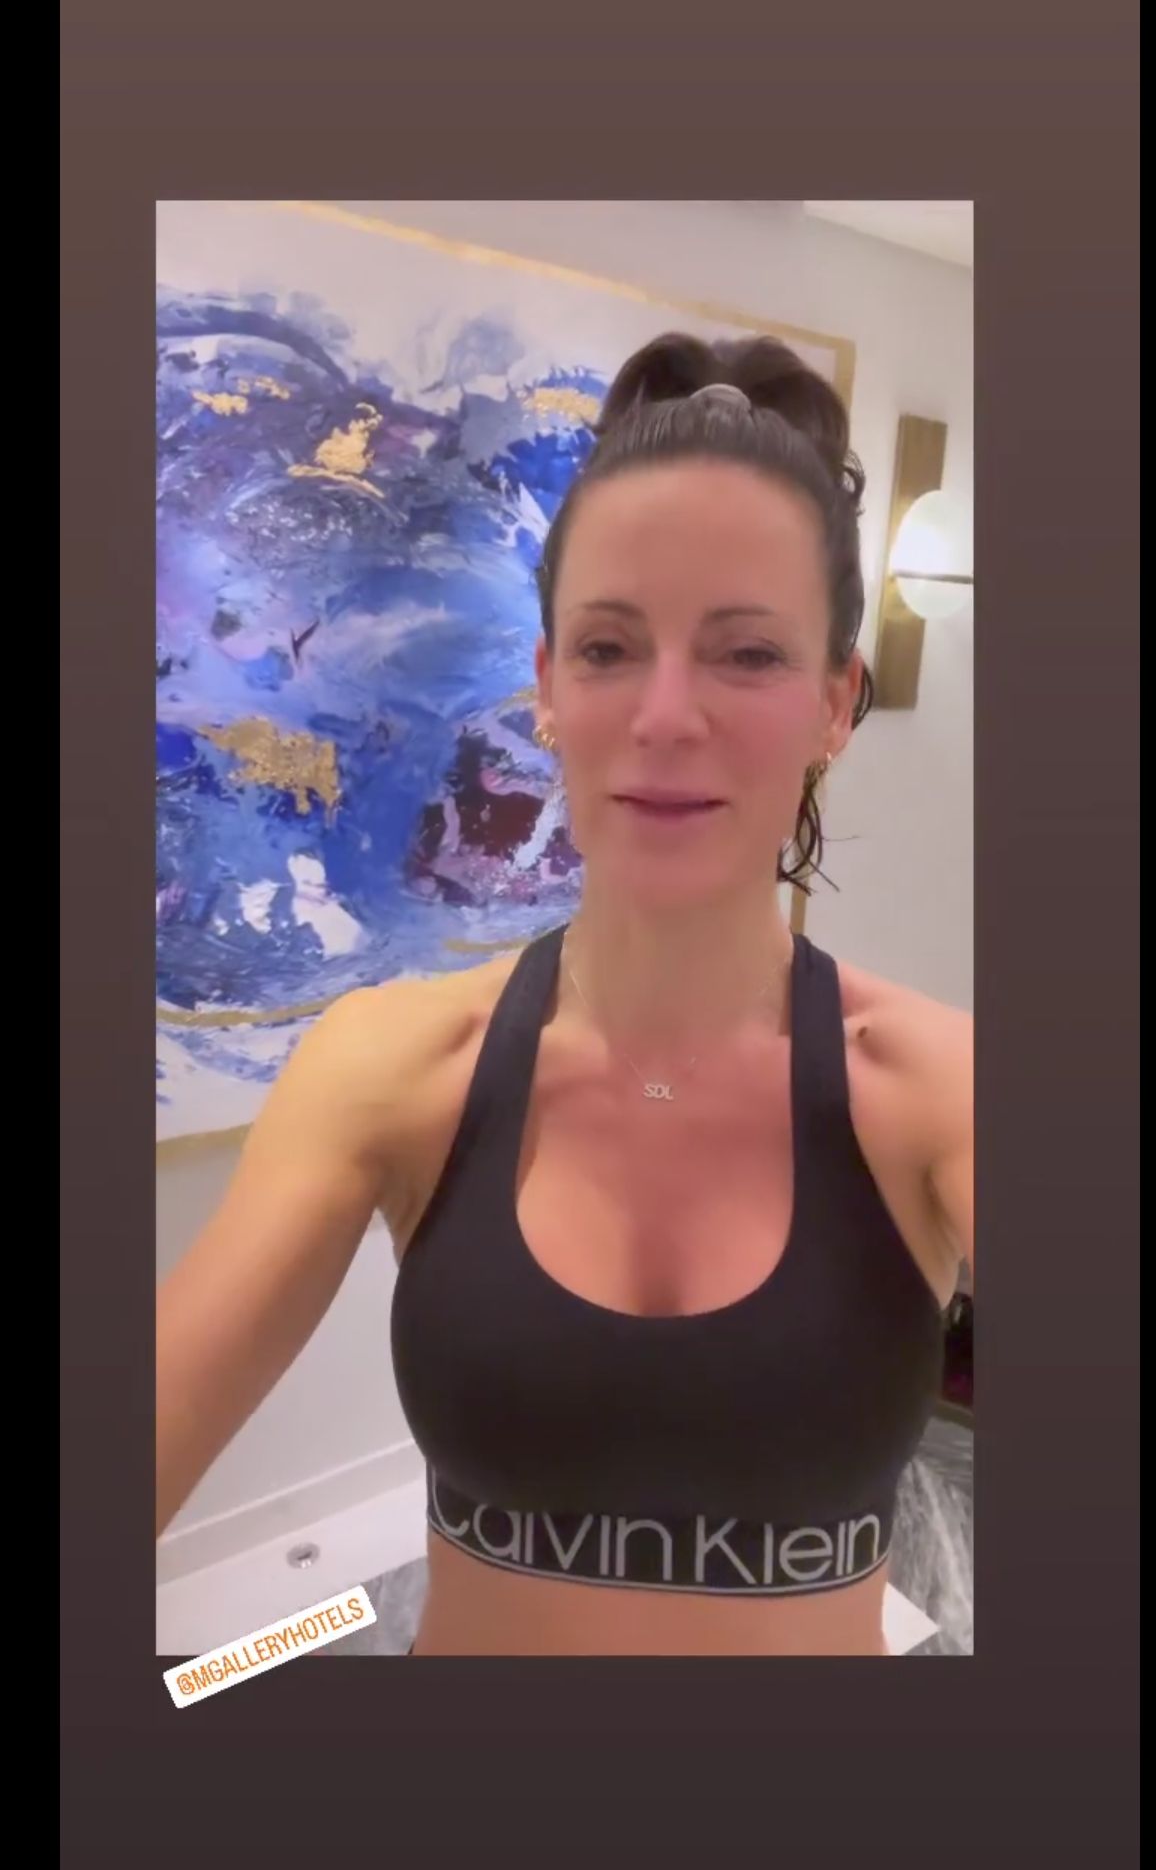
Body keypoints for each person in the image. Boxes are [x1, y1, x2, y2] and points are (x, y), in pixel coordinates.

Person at [156, 330, 973, 1657]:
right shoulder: (391, 1066)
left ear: (836, 703)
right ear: (546, 688)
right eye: (608, 647)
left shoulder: (942, 1094)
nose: (665, 715)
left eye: (746, 655)